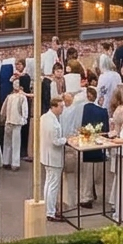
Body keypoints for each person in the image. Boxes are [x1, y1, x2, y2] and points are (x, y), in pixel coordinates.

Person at [41, 90, 69, 221]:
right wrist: (66, 140)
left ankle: (47, 208)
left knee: (49, 183)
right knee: (53, 185)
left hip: (46, 155)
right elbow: (56, 141)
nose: (62, 109)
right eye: (61, 107)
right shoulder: (52, 122)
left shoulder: (44, 117)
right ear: (54, 107)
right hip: (53, 156)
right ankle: (50, 212)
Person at [1, 76, 30, 168]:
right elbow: (24, 110)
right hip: (16, 121)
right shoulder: (21, 97)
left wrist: (4, 116)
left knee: (8, 142)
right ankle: (14, 163)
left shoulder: (10, 97)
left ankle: (6, 161)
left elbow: (3, 109)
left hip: (9, 121)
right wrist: (24, 119)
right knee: (15, 143)